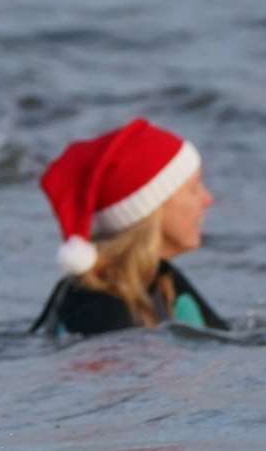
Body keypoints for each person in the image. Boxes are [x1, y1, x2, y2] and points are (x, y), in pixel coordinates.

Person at [31, 118, 228, 336]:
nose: (207, 199)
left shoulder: (161, 279)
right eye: (193, 189)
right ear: (152, 210)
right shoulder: (101, 308)